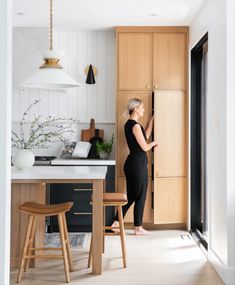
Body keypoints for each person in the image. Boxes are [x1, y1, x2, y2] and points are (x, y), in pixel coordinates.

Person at [112, 98, 158, 235]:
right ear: (136, 108)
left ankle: (115, 223)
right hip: (137, 165)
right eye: (142, 107)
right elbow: (144, 146)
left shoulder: (130, 124)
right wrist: (154, 143)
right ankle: (138, 228)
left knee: (131, 196)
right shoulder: (135, 126)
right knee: (141, 195)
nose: (143, 109)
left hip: (132, 164)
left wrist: (152, 120)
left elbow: (146, 136)